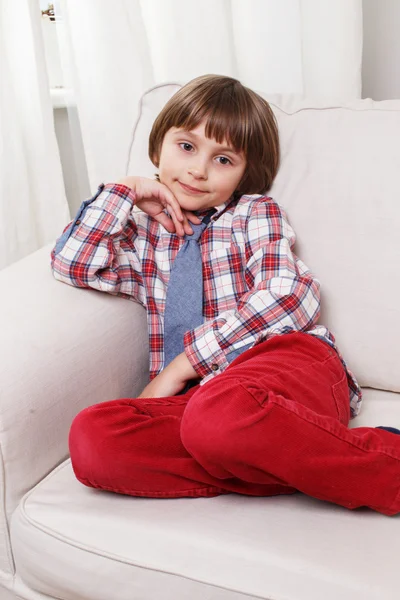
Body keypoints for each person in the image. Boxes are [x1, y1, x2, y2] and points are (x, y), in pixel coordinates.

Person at [51, 74, 400, 516]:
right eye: (186, 147)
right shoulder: (138, 235)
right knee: (94, 436)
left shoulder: (252, 213)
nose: (198, 169)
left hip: (286, 364)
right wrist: (126, 190)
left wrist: (185, 364)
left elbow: (290, 294)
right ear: (158, 145)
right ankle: (296, 463)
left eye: (222, 159)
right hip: (205, 411)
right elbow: (73, 263)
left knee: (220, 415)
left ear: (245, 172)